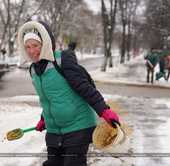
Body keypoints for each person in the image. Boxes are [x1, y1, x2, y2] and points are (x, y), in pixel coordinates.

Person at [17, 20, 120, 166]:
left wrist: (104, 111)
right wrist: (44, 119)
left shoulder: (62, 61)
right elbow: (50, 99)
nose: (31, 51)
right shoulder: (33, 70)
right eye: (27, 47)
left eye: (35, 45)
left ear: (46, 43)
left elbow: (86, 88)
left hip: (77, 127)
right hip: (54, 132)